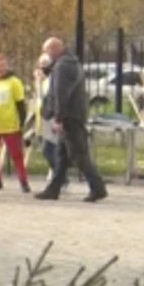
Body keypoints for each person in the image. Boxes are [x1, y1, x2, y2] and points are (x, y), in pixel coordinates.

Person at [37, 36, 108, 203]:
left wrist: (58, 118)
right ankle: (53, 189)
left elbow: (61, 94)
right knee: (61, 155)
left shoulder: (63, 66)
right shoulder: (68, 63)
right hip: (72, 115)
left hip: (70, 117)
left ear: (55, 49)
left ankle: (98, 188)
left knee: (79, 155)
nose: (45, 55)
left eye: (46, 51)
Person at [0, 55, 30, 193]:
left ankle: (23, 180)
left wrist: (21, 121)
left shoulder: (14, 82)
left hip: (10, 124)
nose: (1, 69)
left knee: (16, 154)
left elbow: (20, 104)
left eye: (4, 66)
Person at [31, 53, 63, 180]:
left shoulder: (54, 79)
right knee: (48, 148)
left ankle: (60, 175)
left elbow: (50, 98)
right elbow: (39, 98)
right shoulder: (44, 81)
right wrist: (38, 82)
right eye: (41, 64)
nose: (43, 67)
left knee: (49, 148)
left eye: (45, 64)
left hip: (53, 117)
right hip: (44, 117)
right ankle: (57, 174)